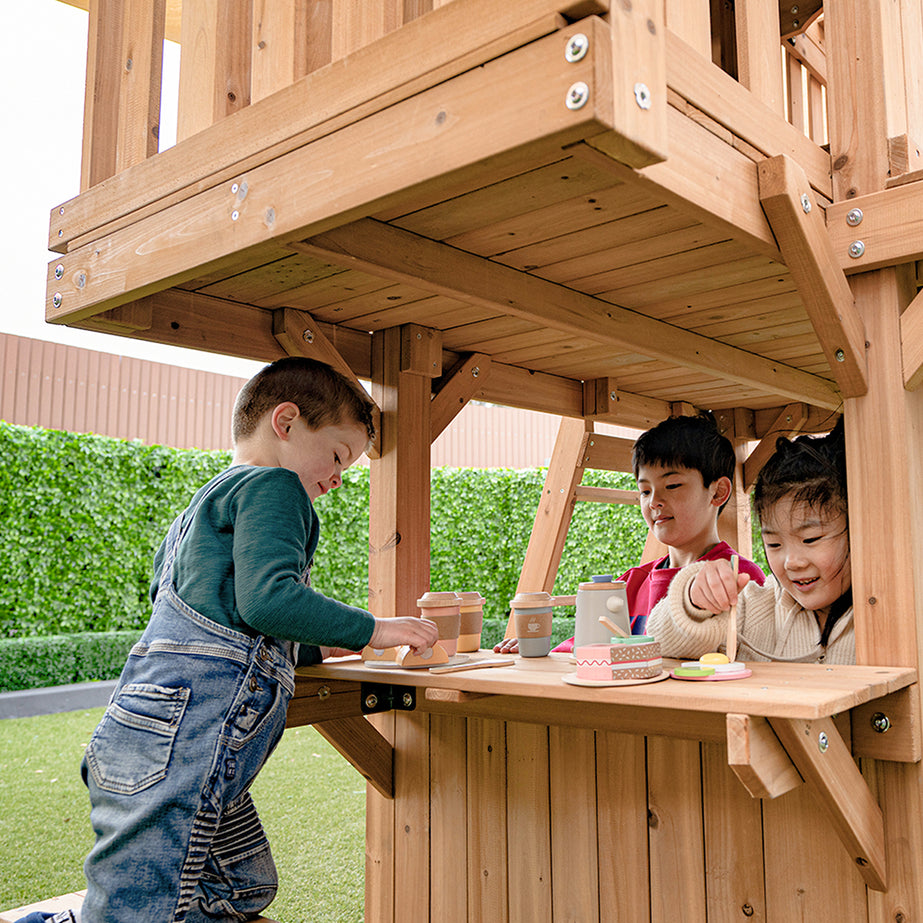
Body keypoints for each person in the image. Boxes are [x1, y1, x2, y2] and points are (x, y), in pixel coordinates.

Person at [27, 357, 438, 923]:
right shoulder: (275, 485)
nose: (340, 478)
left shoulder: (198, 509)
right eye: (340, 455)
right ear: (286, 421)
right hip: (185, 739)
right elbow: (269, 600)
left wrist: (316, 647)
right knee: (140, 910)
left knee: (241, 887)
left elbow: (218, 617)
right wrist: (376, 629)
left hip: (148, 729)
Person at [495, 413, 764, 654]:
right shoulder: (629, 584)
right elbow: (585, 651)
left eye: (672, 485)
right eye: (645, 491)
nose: (654, 501)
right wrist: (546, 653)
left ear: (718, 492)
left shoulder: (741, 579)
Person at [647, 419, 852, 664]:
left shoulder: (890, 610)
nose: (792, 562)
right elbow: (658, 642)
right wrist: (694, 601)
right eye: (774, 544)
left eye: (810, 539)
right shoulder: (753, 608)